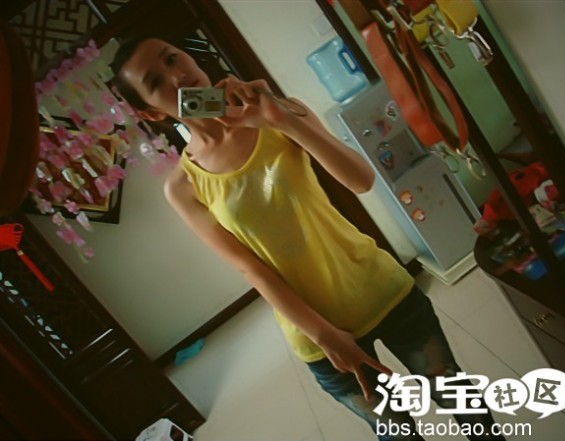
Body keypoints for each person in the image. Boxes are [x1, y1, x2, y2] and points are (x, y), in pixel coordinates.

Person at [111, 36, 506, 441]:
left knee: (463, 403)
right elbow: (250, 268)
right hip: (316, 334)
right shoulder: (183, 187)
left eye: (172, 58)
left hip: (379, 286)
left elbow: (361, 180)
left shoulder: (281, 111)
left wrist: (280, 119)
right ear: (151, 112)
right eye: (156, 82)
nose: (177, 76)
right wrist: (323, 335)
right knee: (397, 433)